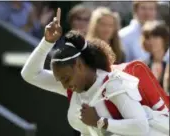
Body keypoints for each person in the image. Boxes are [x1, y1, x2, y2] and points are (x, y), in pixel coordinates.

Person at [21, 8, 169, 136]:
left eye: (66, 78)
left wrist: (100, 122)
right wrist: (47, 42)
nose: (64, 85)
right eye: (61, 81)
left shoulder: (114, 84)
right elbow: (30, 74)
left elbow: (141, 127)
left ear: (79, 65)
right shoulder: (72, 86)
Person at [142, 21, 169, 87]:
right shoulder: (143, 65)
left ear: (164, 38)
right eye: (148, 37)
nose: (151, 41)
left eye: (155, 36)